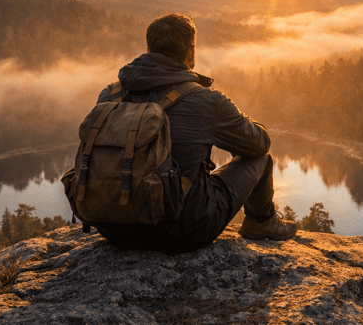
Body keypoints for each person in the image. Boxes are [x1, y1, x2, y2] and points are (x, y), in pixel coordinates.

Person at [94, 13, 296, 252]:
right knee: (261, 159)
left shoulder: (111, 95)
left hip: (113, 229)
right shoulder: (204, 100)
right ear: (191, 53)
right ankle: (260, 223)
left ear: (148, 50)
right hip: (181, 231)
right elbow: (259, 144)